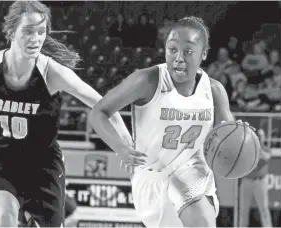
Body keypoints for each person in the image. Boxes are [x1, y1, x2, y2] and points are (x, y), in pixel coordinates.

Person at [91, 16, 243, 227]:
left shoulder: (214, 90)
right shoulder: (147, 80)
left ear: (204, 53)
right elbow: (98, 113)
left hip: (195, 173)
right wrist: (121, 148)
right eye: (172, 50)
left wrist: (241, 140)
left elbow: (230, 140)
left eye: (188, 51)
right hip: (152, 180)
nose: (178, 58)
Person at [0, 1, 132, 227]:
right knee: (3, 217)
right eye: (28, 31)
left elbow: (103, 105)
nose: (36, 38)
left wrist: (125, 143)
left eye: (41, 32)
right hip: (3, 162)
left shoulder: (52, 73)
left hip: (43, 166)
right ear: (11, 32)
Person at [239, 128, 273, 227]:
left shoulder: (266, 149)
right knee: (243, 209)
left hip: (260, 182)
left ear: (264, 138)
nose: (260, 138)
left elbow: (265, 158)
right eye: (258, 135)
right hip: (247, 181)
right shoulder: (246, 148)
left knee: (264, 209)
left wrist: (256, 151)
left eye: (262, 136)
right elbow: (243, 161)